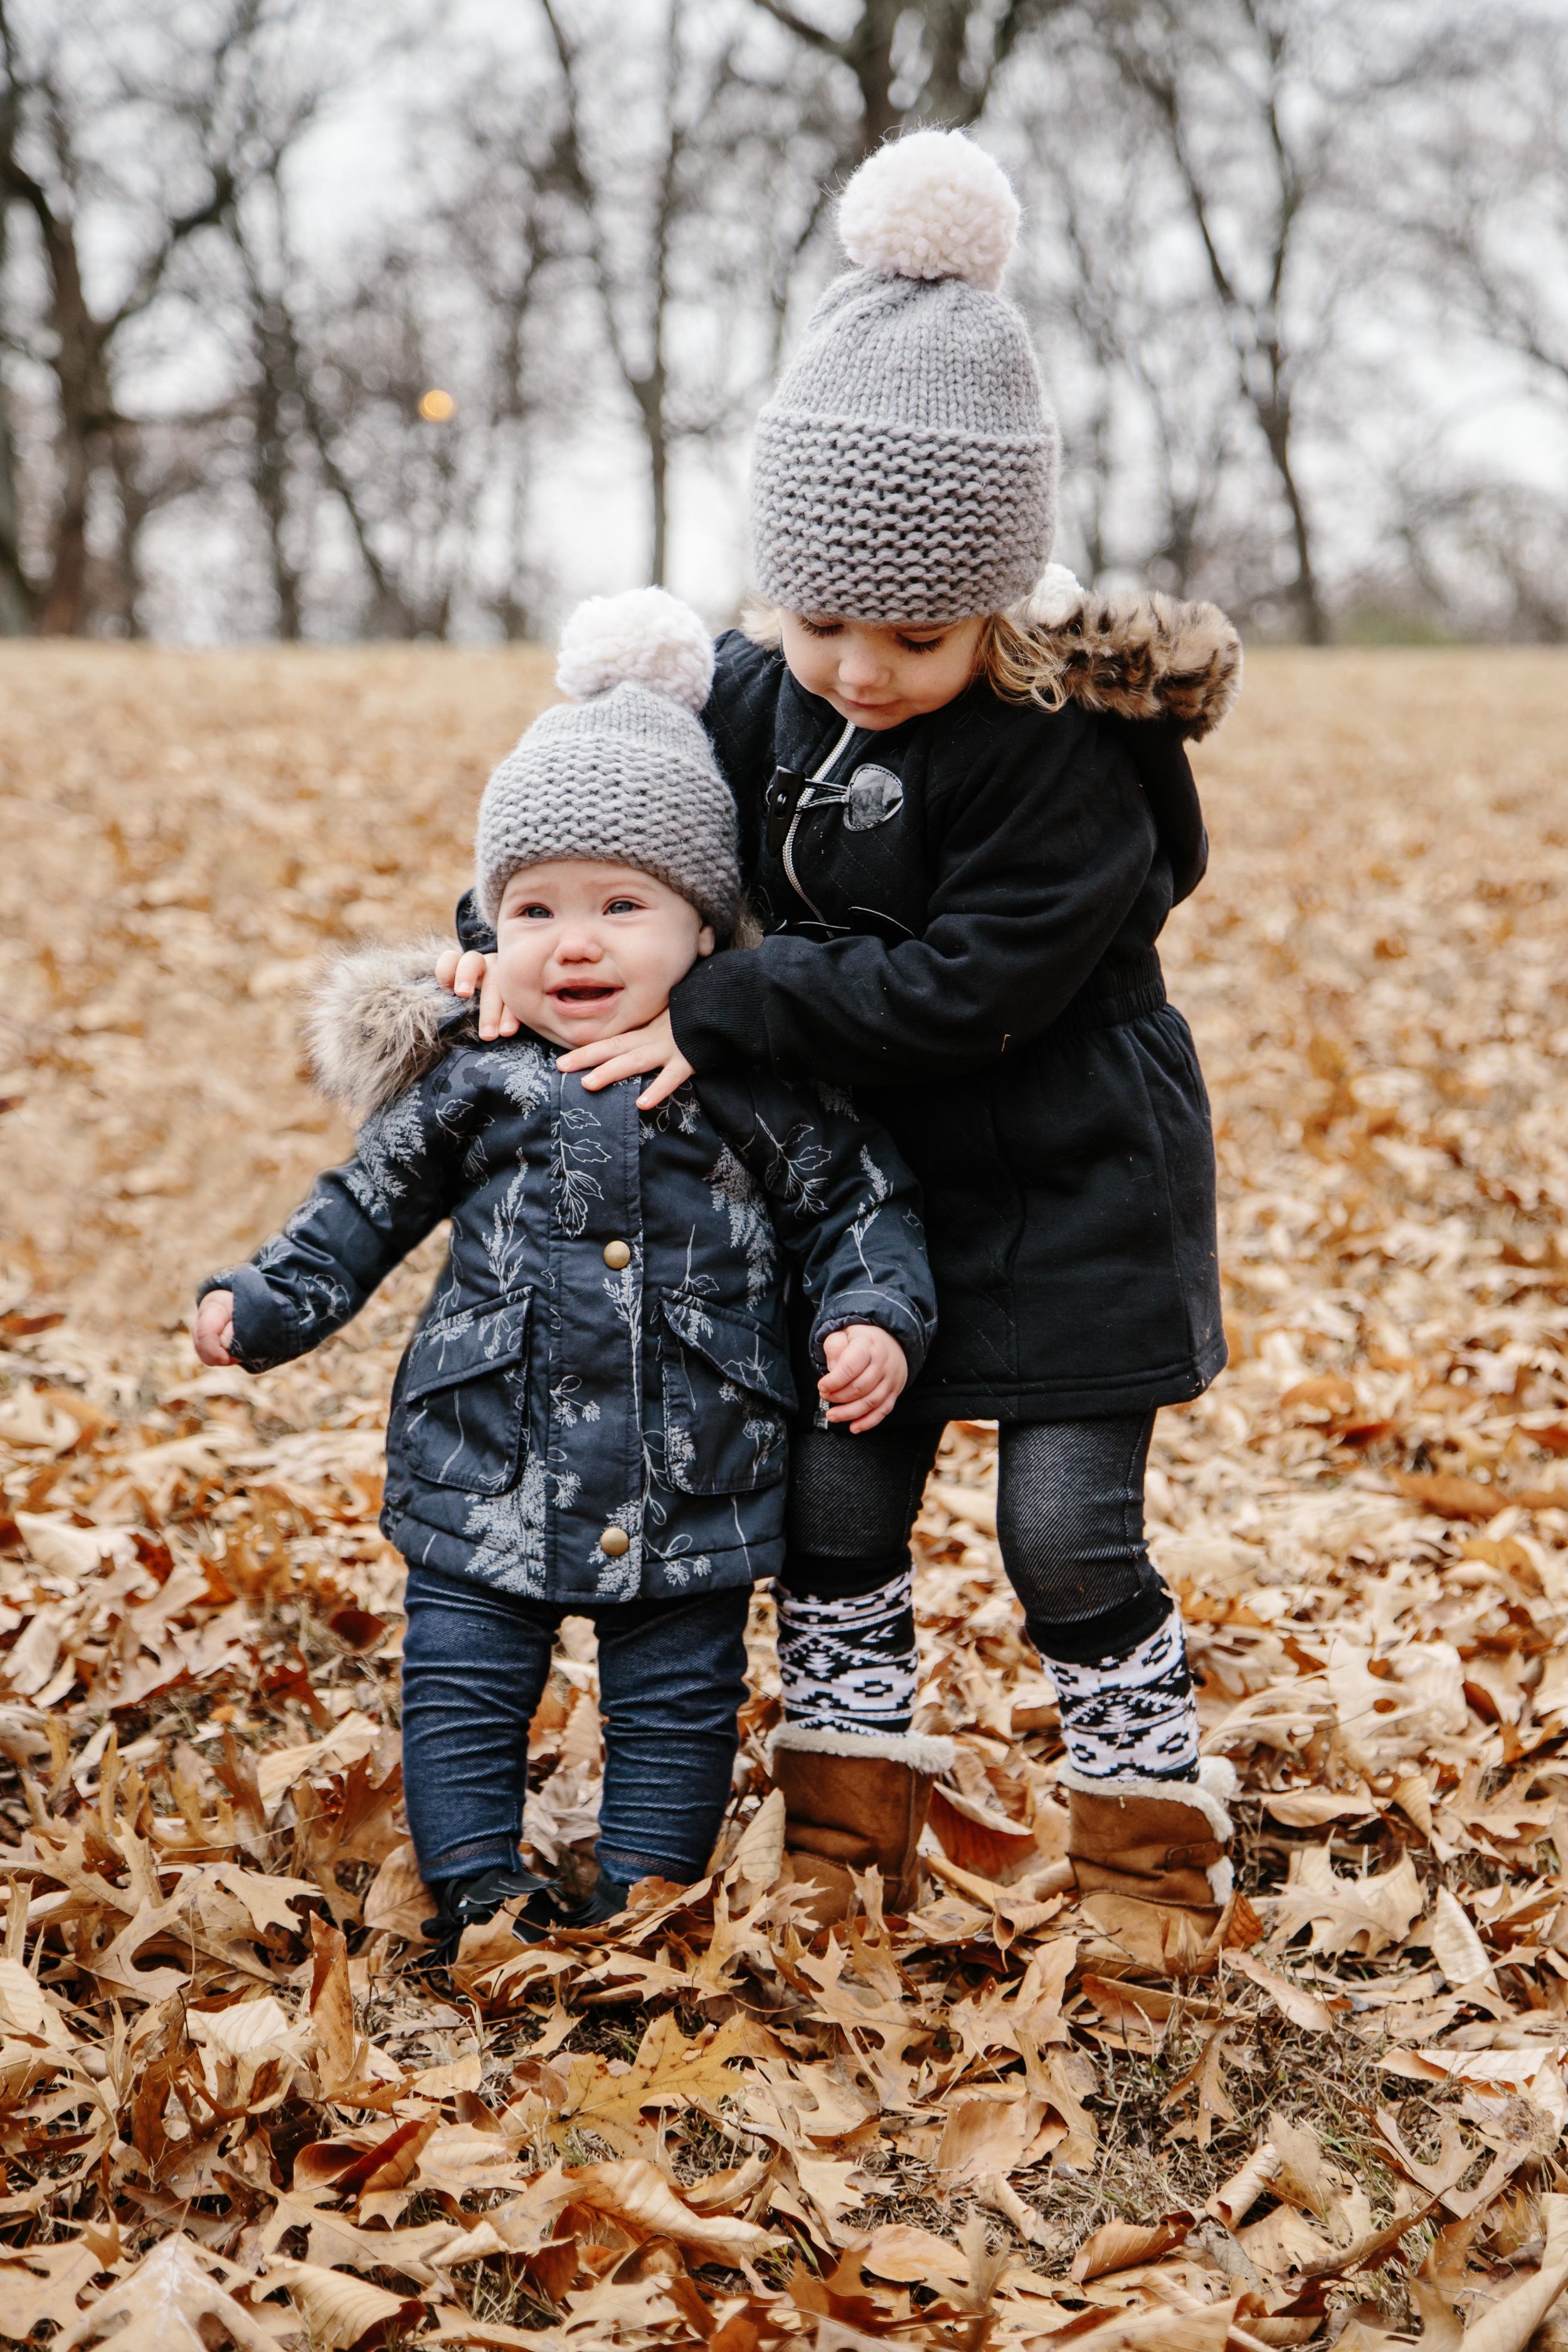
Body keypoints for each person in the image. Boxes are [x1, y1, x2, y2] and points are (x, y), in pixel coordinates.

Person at [442, 135, 1246, 1974]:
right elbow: (609, 819)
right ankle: (839, 1812)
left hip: (1068, 1169)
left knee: (1062, 1526)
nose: (862, 671)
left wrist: (717, 1005)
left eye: (916, 633)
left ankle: (1141, 1837)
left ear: (1002, 601)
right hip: (841, 1187)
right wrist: (510, 941)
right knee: (829, 1501)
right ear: (768, 589)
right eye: (820, 625)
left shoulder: (1065, 757)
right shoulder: (744, 693)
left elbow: (971, 982)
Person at [193, 588, 937, 1961]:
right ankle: (476, 1886)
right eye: (532, 908)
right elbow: (363, 1206)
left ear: (703, 930)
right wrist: (270, 1298)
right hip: (488, 1451)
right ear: (483, 933)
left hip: (696, 1459)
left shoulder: (753, 1080)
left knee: (677, 1693)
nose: (573, 941)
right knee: (466, 1680)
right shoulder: (474, 1077)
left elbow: (860, 1205)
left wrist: (871, 1316)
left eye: (619, 906)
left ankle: (647, 1892)